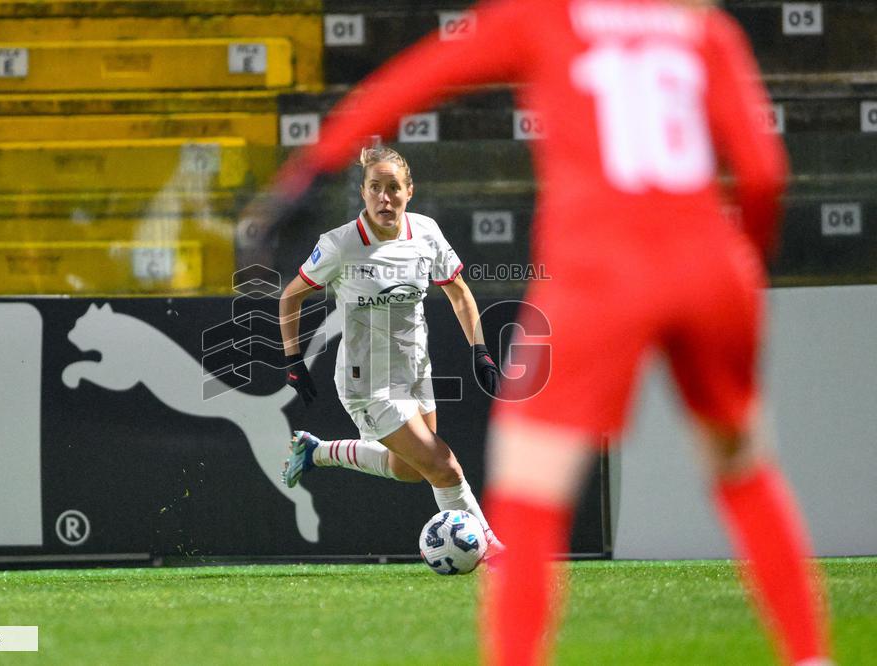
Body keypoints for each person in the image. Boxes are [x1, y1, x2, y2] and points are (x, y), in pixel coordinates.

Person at [244, 1, 833, 664]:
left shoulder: (546, 17)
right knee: (745, 470)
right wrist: (738, 263)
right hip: (711, 267)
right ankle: (811, 655)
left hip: (598, 271)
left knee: (528, 490)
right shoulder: (704, 27)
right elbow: (762, 173)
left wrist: (310, 170)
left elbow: (416, 79)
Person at [278, 145, 504, 557]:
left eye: (394, 188)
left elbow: (459, 293)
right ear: (363, 193)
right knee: (444, 466)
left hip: (416, 371)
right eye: (376, 188)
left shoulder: (426, 233)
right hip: (367, 384)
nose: (385, 198)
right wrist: (294, 359)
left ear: (409, 191)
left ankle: (318, 451)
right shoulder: (341, 245)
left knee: (409, 470)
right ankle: (490, 551)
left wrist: (480, 350)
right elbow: (290, 298)